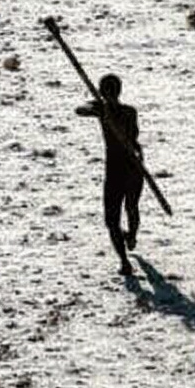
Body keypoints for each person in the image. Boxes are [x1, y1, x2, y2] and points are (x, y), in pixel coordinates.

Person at [76, 74, 144, 275]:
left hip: (119, 168)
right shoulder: (125, 110)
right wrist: (97, 107)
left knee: (113, 218)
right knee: (131, 207)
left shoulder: (118, 112)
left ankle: (125, 258)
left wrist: (102, 109)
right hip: (135, 166)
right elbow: (81, 110)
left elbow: (80, 110)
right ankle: (130, 240)